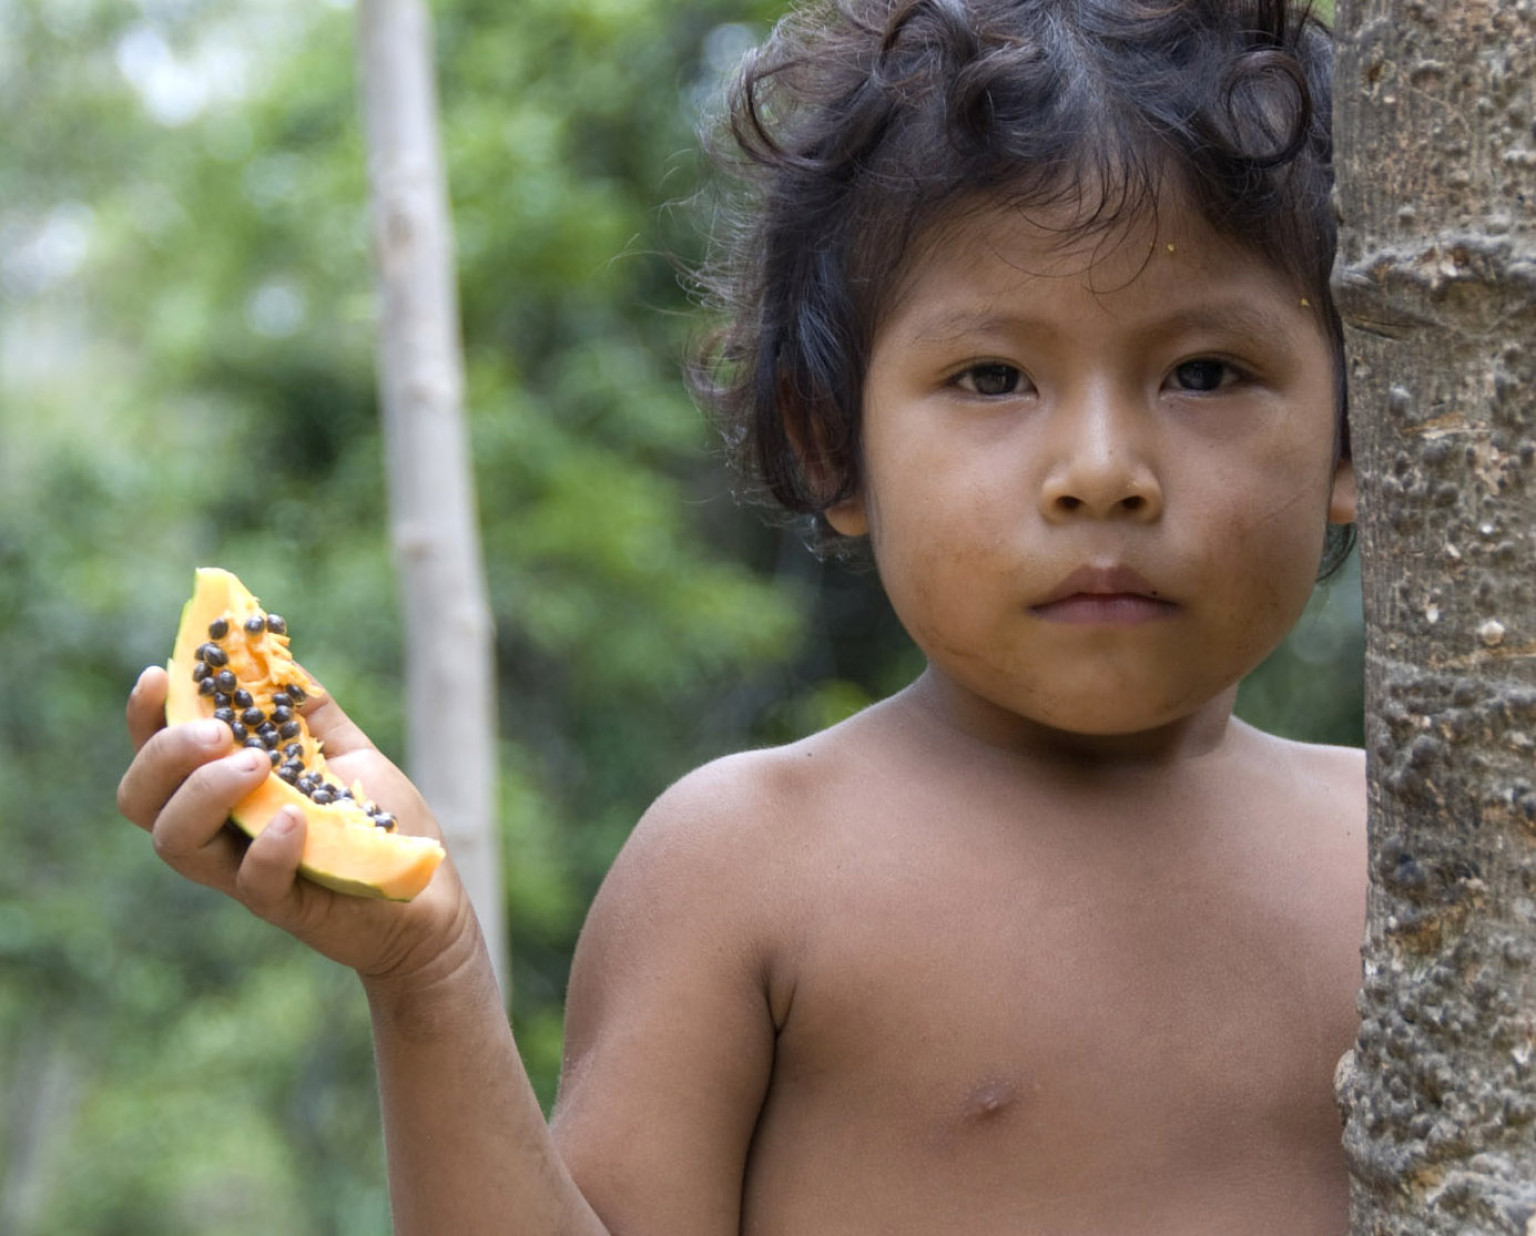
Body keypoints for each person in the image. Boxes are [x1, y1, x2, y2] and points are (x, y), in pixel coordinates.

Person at [117, 0, 1368, 1231]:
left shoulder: (1420, 859)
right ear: (832, 443)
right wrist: (424, 973)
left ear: (1370, 437)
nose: (1102, 469)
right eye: (993, 377)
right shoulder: (746, 868)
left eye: (1207, 373)